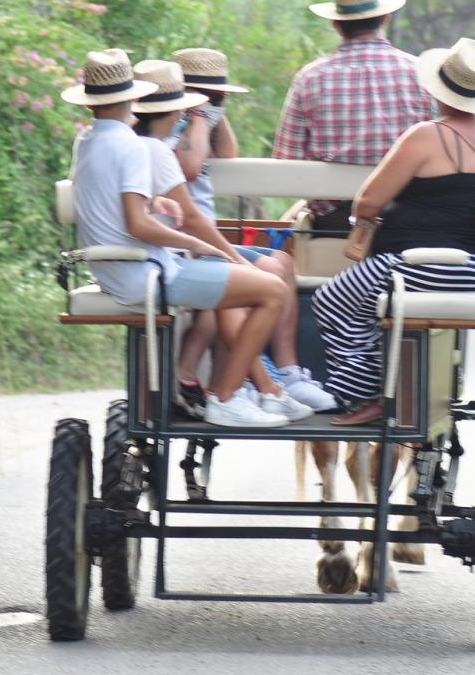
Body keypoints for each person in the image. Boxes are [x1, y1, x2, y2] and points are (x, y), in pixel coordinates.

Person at [63, 49, 312, 428]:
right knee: (273, 291)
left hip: (115, 270)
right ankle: (228, 396)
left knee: (255, 279)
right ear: (130, 97)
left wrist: (159, 203)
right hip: (148, 275)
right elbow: (136, 224)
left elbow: (122, 205)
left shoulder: (88, 140)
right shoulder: (134, 147)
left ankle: (258, 389)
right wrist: (198, 245)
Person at [312, 38, 475, 425]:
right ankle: (381, 387)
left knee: (330, 300)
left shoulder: (425, 135)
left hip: (413, 269)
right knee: (362, 300)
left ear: (440, 91)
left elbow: (367, 203)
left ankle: (366, 391)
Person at [165, 48, 336, 413]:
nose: (215, 101)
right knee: (255, 278)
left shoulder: (193, 124)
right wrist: (197, 114)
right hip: (189, 242)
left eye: (219, 95)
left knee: (281, 263)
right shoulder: (173, 127)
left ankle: (286, 372)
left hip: (201, 239)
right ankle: (254, 383)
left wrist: (214, 114)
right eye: (211, 95)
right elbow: (191, 168)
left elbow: (227, 152)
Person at [272, 0, 434, 235]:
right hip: (408, 220)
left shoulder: (310, 78)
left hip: (335, 224)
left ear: (335, 24)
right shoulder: (421, 73)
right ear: (385, 17)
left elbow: (287, 161)